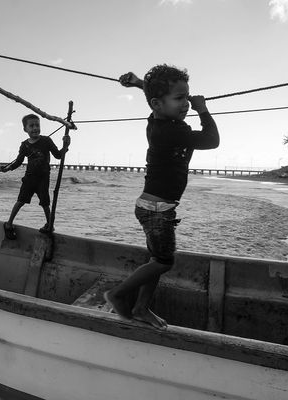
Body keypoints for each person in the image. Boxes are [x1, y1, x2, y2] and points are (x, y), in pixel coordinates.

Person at [104, 64, 220, 329]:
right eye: (180, 98)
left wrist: (138, 83)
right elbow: (211, 140)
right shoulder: (172, 131)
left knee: (156, 260)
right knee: (164, 262)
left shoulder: (157, 121)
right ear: (158, 104)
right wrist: (203, 110)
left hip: (156, 208)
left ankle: (141, 308)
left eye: (187, 97)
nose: (186, 104)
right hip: (156, 211)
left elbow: (156, 96)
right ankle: (118, 295)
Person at [0, 113, 70, 239]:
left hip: (43, 178)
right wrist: (7, 168)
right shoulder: (24, 145)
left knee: (45, 203)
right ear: (25, 129)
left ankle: (49, 225)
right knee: (20, 201)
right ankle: (8, 224)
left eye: (37, 125)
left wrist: (66, 146)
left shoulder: (46, 141)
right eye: (31, 126)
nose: (35, 128)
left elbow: (58, 155)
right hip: (29, 178)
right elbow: (18, 162)